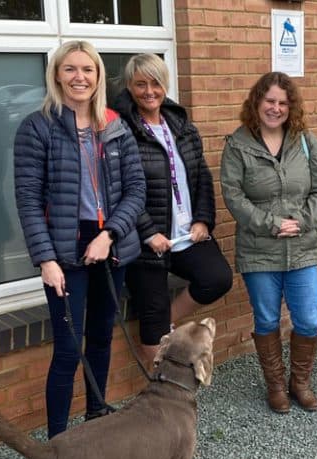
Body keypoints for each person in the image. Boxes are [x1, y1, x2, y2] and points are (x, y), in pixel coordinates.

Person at [13, 40, 145, 438]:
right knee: (69, 350)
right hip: (64, 253)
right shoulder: (37, 127)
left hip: (111, 247)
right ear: (56, 75)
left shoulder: (115, 124)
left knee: (102, 338)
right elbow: (28, 199)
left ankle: (94, 422)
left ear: (99, 76)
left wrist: (109, 234)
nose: (79, 77)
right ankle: (56, 443)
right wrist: (46, 260)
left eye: (87, 70)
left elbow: (136, 190)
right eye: (70, 69)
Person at [220, 72, 317, 413]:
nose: (276, 108)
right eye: (270, 101)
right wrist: (271, 224)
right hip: (259, 250)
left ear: (291, 107)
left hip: (302, 248)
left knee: (309, 319)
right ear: (257, 102)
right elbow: (233, 196)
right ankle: (275, 387)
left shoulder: (305, 142)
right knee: (267, 320)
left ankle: (299, 383)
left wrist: (302, 221)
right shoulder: (238, 144)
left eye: (283, 102)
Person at [113, 53, 233, 366]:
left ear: (165, 85)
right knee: (150, 330)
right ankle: (159, 390)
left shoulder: (181, 126)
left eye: (155, 83)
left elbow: (202, 176)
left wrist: (204, 219)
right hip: (147, 243)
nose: (149, 91)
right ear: (129, 86)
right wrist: (147, 232)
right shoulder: (120, 130)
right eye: (140, 84)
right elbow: (119, 189)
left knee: (217, 277)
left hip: (185, 234)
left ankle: (167, 320)